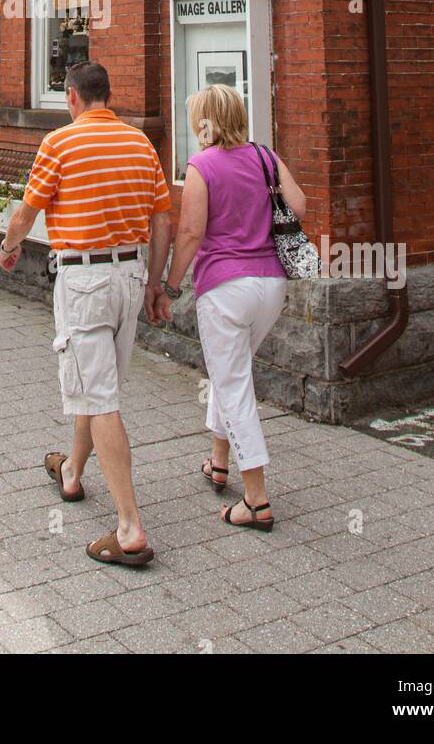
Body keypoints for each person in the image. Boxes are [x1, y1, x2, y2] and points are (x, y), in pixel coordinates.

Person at [0, 61, 172, 569]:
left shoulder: (60, 143)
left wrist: (9, 247)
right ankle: (72, 471)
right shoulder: (141, 144)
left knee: (98, 398)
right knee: (97, 388)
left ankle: (130, 527)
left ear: (72, 96)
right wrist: (157, 286)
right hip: (130, 277)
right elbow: (162, 221)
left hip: (85, 280)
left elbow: (28, 211)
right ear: (108, 95)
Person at [164, 85, 305, 533]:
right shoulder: (265, 156)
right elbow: (299, 206)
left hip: (226, 287)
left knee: (233, 385)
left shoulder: (202, 166)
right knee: (232, 374)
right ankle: (219, 462)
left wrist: (168, 287)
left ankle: (257, 499)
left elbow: (189, 232)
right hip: (271, 284)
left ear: (204, 121)